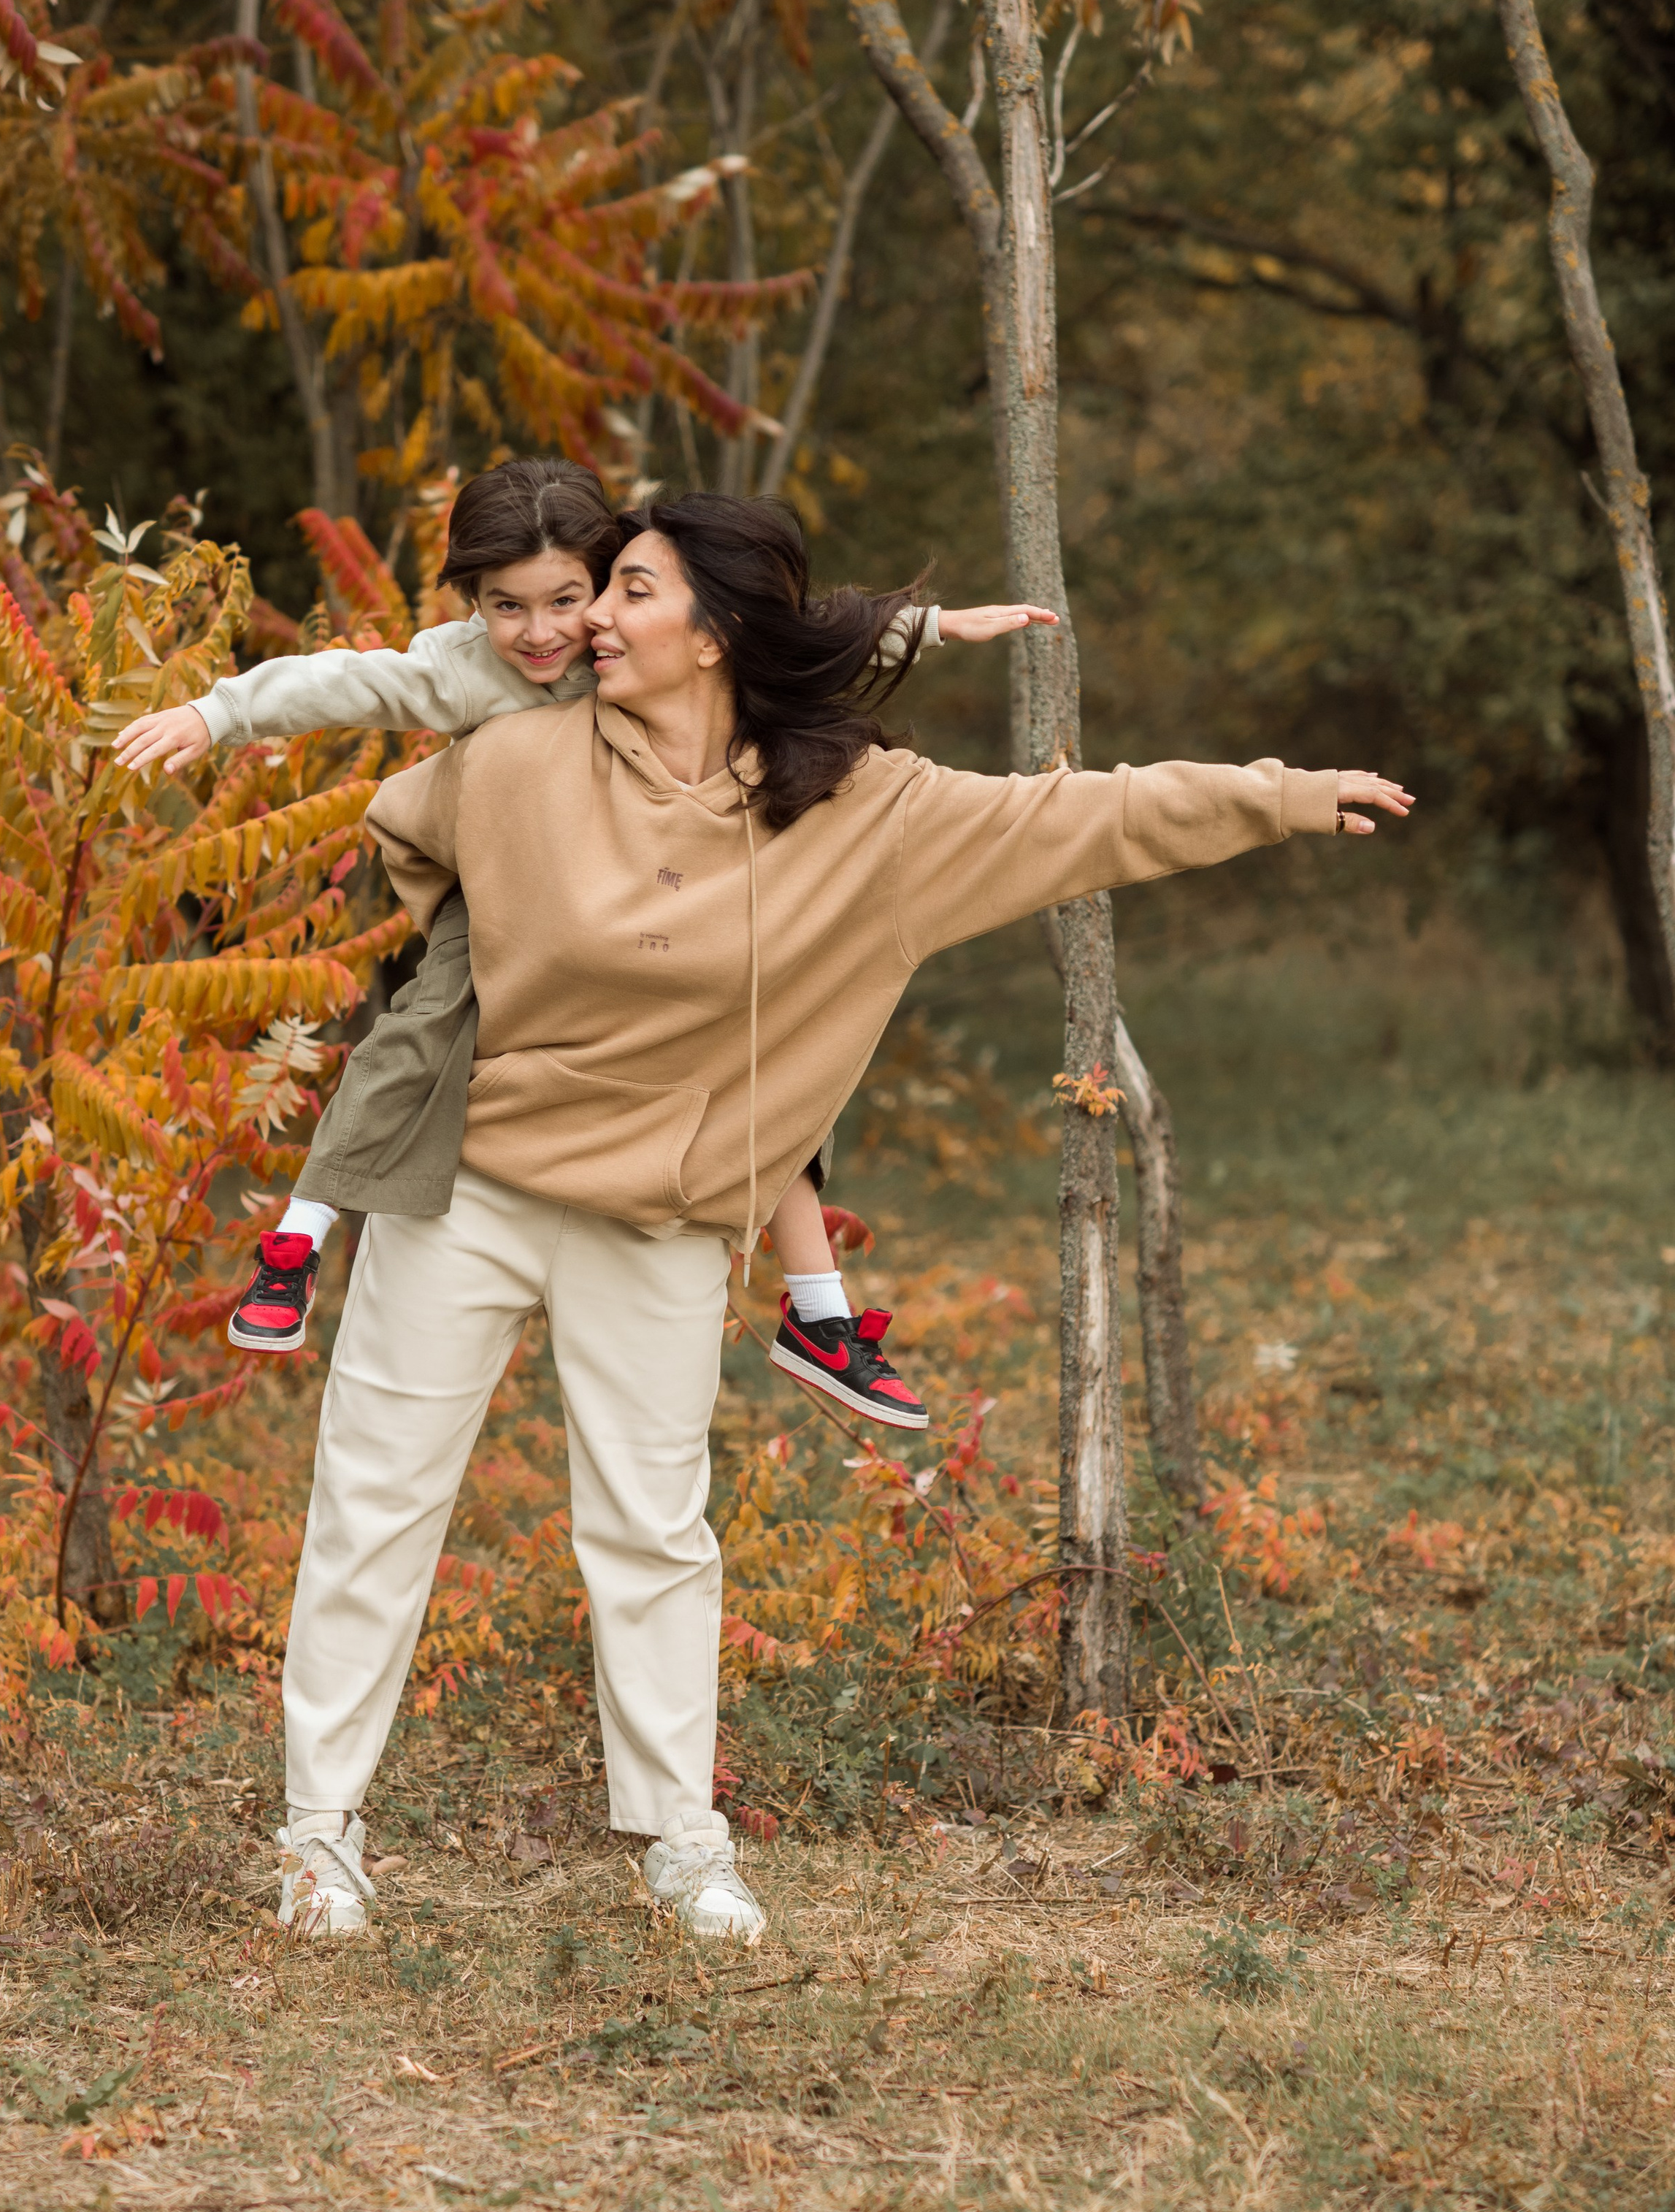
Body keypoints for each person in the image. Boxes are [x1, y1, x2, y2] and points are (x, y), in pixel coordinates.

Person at [269, 490, 1411, 1945]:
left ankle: (680, 1838)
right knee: (375, 1501)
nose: (587, 621)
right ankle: (318, 1838)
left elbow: (1085, 815)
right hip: (470, 1191)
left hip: (663, 1221)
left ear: (715, 630)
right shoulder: (511, 758)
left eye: (626, 591)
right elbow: (396, 856)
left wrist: (1284, 792)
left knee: (651, 1529)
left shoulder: (869, 813)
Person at [112, 456, 1058, 1431]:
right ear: (474, 602)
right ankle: (301, 1237)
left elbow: (773, 626)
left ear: (607, 586)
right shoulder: (466, 668)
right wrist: (215, 712)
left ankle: (819, 1314)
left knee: (773, 1041)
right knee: (424, 1024)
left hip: (652, 887)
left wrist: (936, 625)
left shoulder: (626, 643)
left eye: (568, 599)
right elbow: (348, 682)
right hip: (517, 886)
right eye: (506, 606)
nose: (542, 633)